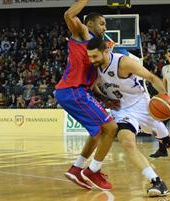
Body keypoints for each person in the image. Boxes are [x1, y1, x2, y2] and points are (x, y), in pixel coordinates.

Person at [87, 37, 170, 196]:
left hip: (142, 106)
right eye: (90, 56)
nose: (92, 60)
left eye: (95, 56)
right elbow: (93, 87)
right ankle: (157, 182)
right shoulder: (93, 67)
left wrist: (166, 98)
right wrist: (105, 100)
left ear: (105, 51)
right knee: (126, 141)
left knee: (169, 142)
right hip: (122, 111)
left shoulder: (123, 63)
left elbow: (151, 78)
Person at [54, 0, 118, 191]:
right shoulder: (83, 33)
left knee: (97, 132)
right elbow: (68, 15)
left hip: (76, 92)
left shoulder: (96, 48)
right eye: (102, 23)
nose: (104, 27)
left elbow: (93, 82)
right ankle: (93, 170)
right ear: (89, 24)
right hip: (73, 91)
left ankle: (76, 169)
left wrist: (105, 99)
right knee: (111, 128)